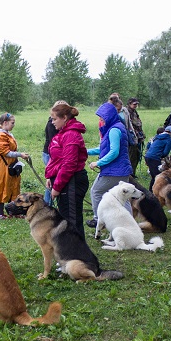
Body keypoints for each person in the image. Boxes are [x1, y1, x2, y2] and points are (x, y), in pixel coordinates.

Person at [45, 102, 89, 240]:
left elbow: (69, 164)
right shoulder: (62, 133)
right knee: (66, 218)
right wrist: (50, 176)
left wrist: (57, 187)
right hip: (64, 180)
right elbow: (56, 158)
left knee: (71, 220)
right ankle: (71, 253)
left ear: (64, 117)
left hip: (72, 181)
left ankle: (77, 256)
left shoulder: (70, 134)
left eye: (54, 119)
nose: (52, 122)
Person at [86, 102, 133, 230]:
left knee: (96, 191)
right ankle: (131, 225)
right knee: (124, 197)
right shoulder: (117, 127)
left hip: (114, 171)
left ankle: (98, 220)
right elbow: (103, 148)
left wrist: (98, 163)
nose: (100, 121)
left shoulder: (114, 130)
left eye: (102, 118)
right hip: (122, 170)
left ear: (108, 117)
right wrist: (86, 151)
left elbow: (114, 152)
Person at [0, 113, 29, 219]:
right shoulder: (0, 136)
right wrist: (20, 155)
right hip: (2, 165)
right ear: (5, 123)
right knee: (1, 186)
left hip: (11, 163)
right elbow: (6, 152)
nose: (14, 125)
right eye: (12, 123)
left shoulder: (8, 134)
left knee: (13, 186)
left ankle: (14, 211)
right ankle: (0, 214)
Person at [43, 100, 67, 204]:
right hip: (50, 154)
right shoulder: (51, 125)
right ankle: (47, 205)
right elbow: (55, 144)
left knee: (55, 179)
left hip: (53, 154)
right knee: (52, 181)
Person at [144, 126, 171, 191]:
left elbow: (149, 145)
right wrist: (160, 155)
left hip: (147, 156)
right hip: (155, 158)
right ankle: (157, 192)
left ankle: (151, 191)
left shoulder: (157, 137)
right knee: (159, 177)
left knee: (154, 176)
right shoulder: (169, 140)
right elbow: (165, 153)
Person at [126, 98, 145, 176]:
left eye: (136, 104)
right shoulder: (126, 112)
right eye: (134, 104)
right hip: (132, 138)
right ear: (129, 104)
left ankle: (133, 173)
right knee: (131, 156)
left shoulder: (134, 112)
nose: (136, 106)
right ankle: (130, 174)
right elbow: (129, 126)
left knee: (137, 156)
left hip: (138, 137)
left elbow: (138, 124)